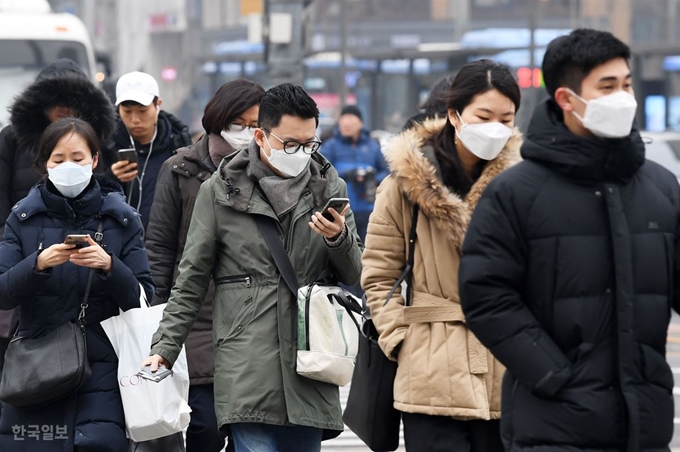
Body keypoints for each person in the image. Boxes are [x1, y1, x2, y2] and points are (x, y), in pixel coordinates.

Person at [459, 29, 679, 452]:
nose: (624, 98)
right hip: (552, 427)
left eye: (627, 85)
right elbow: (486, 295)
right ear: (566, 99)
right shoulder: (515, 192)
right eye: (608, 87)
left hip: (645, 425)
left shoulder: (661, 187)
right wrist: (553, 373)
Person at [144, 83, 363, 452]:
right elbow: (192, 277)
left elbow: (355, 274)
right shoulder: (220, 190)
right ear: (260, 136)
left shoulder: (329, 186)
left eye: (310, 145)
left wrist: (338, 239)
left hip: (309, 360)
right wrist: (165, 345)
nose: (301, 154)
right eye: (290, 144)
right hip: (245, 359)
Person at [362, 59, 522, 452]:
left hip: (507, 363)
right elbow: (379, 273)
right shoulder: (404, 184)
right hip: (429, 369)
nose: (495, 129)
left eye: (507, 119)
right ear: (454, 114)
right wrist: (402, 341)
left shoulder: (522, 183)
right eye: (484, 116)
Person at [0, 117, 154, 451]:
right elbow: (3, 292)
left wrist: (110, 265)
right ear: (44, 164)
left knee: (98, 444)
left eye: (78, 157)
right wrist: (37, 264)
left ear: (95, 160)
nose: (68, 166)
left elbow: (143, 296)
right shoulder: (23, 218)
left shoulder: (122, 219)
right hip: (36, 366)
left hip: (104, 367)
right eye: (58, 159)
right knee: (36, 444)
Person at [145, 79, 265, 452]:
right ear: (217, 121)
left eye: (255, 124)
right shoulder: (181, 169)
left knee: (251, 427)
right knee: (205, 426)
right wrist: (158, 315)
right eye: (238, 124)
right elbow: (160, 247)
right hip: (197, 317)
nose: (247, 133)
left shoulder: (271, 172)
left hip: (253, 317)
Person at [0, 57, 116, 384]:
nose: (63, 109)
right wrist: (21, 251)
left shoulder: (97, 141)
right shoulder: (11, 139)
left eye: (72, 102)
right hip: (24, 260)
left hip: (86, 264)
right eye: (55, 102)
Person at [103, 71, 192, 231]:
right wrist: (110, 177)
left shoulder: (178, 145)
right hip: (116, 241)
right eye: (127, 111)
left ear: (158, 104)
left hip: (165, 241)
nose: (135, 119)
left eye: (142, 111)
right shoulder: (105, 144)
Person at [322, 105, 388, 243]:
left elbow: (387, 171)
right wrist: (349, 174)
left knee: (368, 246)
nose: (347, 125)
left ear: (360, 123)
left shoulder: (372, 146)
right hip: (341, 209)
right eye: (343, 121)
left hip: (369, 208)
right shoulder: (330, 146)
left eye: (351, 121)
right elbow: (321, 171)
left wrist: (372, 179)